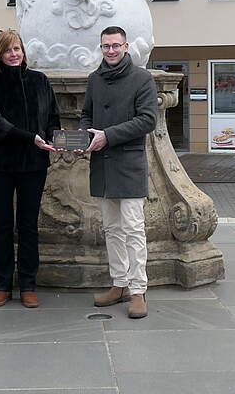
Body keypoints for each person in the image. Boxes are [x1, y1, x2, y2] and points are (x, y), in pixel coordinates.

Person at [0, 30, 60, 308]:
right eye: (8, 50)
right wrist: (30, 137)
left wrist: (54, 138)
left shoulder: (39, 80)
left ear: (23, 51)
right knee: (2, 225)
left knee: (28, 226)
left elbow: (52, 117)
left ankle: (28, 284)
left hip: (33, 164)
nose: (14, 54)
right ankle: (2, 285)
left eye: (17, 49)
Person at [81, 26, 158, 318]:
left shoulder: (142, 78)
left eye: (115, 45)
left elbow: (148, 120)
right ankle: (120, 283)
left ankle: (138, 291)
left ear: (126, 47)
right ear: (101, 48)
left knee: (133, 230)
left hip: (128, 165)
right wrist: (84, 135)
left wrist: (108, 135)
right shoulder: (94, 79)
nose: (110, 50)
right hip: (101, 164)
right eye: (105, 46)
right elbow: (86, 114)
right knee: (112, 230)